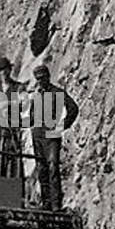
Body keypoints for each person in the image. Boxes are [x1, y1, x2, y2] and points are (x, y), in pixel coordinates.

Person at [29, 63, 79, 210]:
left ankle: (56, 204)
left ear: (48, 77)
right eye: (38, 79)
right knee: (42, 170)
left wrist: (62, 126)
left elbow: (73, 109)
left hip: (51, 136)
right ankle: (46, 204)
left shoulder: (58, 92)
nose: (40, 81)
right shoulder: (36, 95)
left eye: (42, 78)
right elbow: (32, 116)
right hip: (37, 135)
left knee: (53, 168)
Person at [0, 55, 23, 179]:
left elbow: (24, 102)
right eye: (1, 70)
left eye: (5, 69)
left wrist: (7, 103)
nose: (3, 73)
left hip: (11, 129)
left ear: (10, 70)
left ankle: (12, 192)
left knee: (13, 161)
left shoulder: (18, 87)